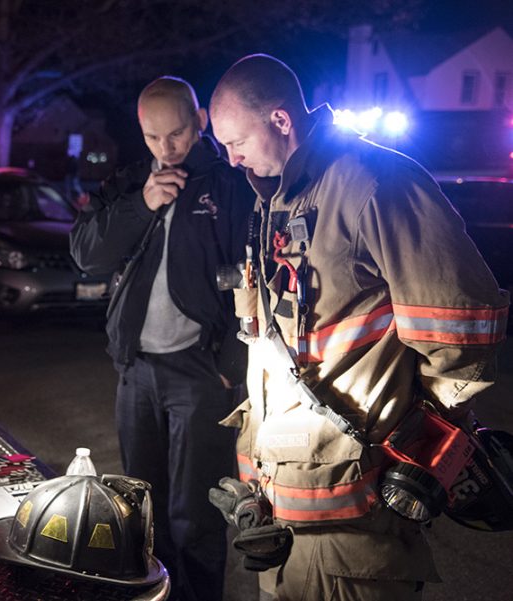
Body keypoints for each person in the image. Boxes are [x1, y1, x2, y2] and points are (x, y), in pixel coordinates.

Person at [206, 54, 509, 600]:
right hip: (282, 523)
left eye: (236, 142)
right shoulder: (279, 198)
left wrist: (424, 438)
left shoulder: (375, 182)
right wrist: (258, 483)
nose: (231, 160)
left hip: (358, 531)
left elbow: (463, 326)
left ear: (280, 120)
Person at [70, 76, 255, 601]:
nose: (166, 148)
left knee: (195, 515)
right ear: (141, 131)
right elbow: (86, 254)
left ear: (199, 123)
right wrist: (142, 204)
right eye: (154, 138)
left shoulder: (228, 184)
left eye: (176, 134)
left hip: (201, 372)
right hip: (137, 369)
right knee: (139, 506)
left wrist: (229, 365)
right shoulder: (129, 183)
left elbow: (253, 277)